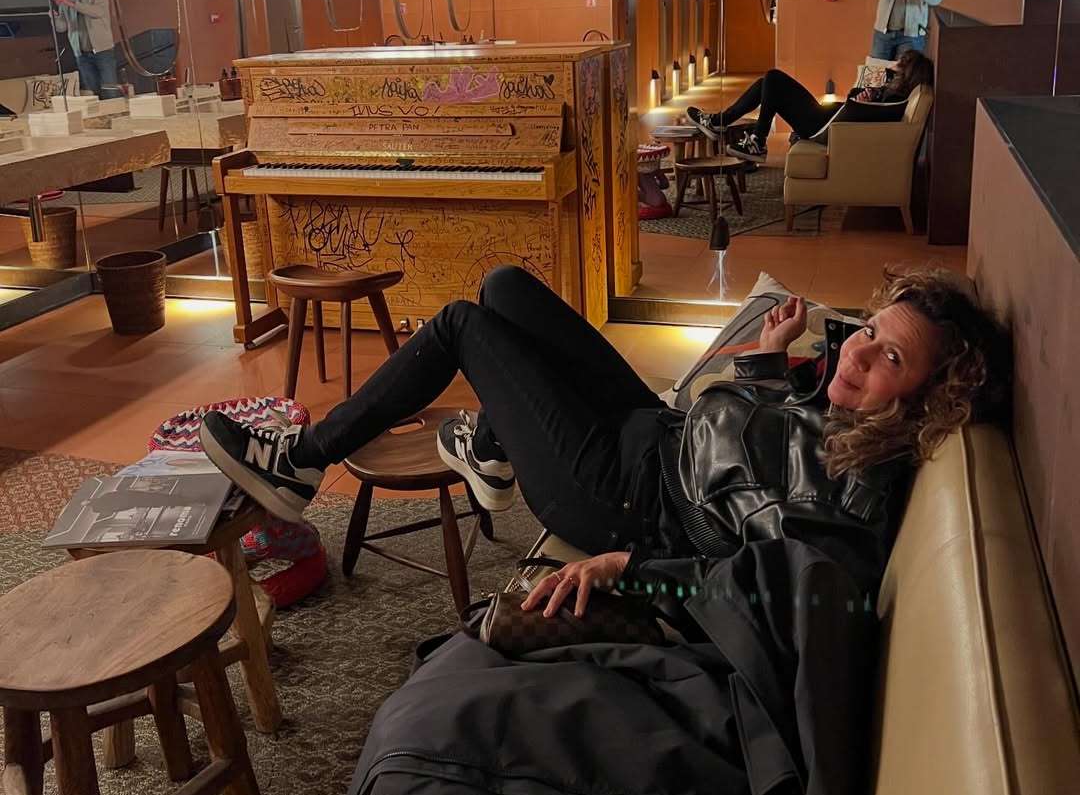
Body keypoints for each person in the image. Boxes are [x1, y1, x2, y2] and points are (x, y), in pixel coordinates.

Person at [199, 262, 1006, 613]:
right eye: (870, 330)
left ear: (926, 399)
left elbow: (774, 583)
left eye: (889, 357)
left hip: (624, 499)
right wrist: (766, 359)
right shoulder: (846, 414)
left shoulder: (856, 488)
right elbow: (758, 460)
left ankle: (301, 464)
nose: (858, 352)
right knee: (505, 288)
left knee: (461, 326)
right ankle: (494, 450)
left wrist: (630, 569)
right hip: (657, 432)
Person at [686, 47, 934, 160]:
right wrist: (862, 97)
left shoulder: (894, 100)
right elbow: (854, 95)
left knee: (773, 77)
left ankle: (756, 141)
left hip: (821, 127)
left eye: (898, 64)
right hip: (823, 118)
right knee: (766, 83)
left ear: (907, 71)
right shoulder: (892, 92)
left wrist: (862, 103)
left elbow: (865, 115)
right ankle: (720, 122)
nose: (893, 65)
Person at [52, 0, 119, 98]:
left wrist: (72, 4)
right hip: (81, 54)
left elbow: (98, 12)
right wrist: (55, 18)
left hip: (102, 50)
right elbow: (62, 27)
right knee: (92, 94)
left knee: (111, 91)